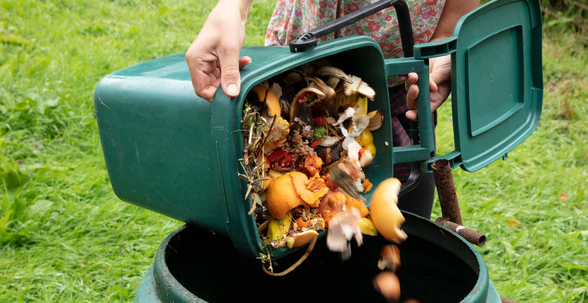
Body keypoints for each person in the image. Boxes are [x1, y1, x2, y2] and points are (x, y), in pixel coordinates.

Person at [185, 0, 479, 218]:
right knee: (277, 203)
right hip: (297, 79)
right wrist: (232, 8)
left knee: (407, 206)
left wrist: (439, 60)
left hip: (397, 90)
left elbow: (449, 27)